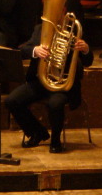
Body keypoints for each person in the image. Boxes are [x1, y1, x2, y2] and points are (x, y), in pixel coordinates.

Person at [5, 23, 93, 154]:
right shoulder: (40, 29)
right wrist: (35, 50)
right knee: (11, 101)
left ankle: (56, 141)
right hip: (40, 81)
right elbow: (22, 50)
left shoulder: (73, 31)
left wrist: (85, 49)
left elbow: (88, 61)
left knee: (55, 104)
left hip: (63, 85)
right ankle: (37, 133)